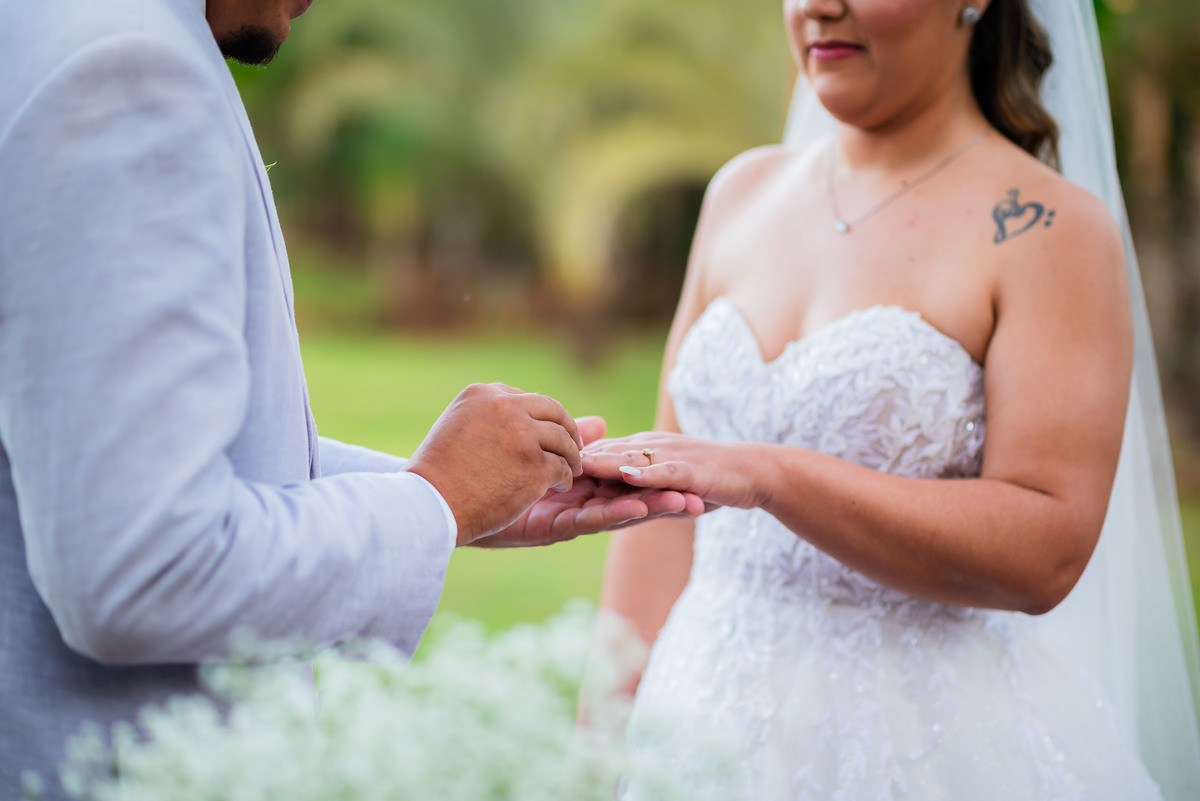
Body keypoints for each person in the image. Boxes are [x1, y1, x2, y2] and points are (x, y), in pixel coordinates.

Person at [0, 0, 701, 797]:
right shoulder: (129, 71)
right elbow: (144, 569)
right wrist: (434, 503)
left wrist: (455, 496)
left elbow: (76, 437)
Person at [584, 0, 1200, 798]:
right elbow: (656, 521)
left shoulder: (1048, 229)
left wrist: (774, 475)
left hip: (925, 746)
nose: (817, 7)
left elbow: (1048, 548)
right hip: (698, 721)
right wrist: (599, 744)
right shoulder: (741, 192)